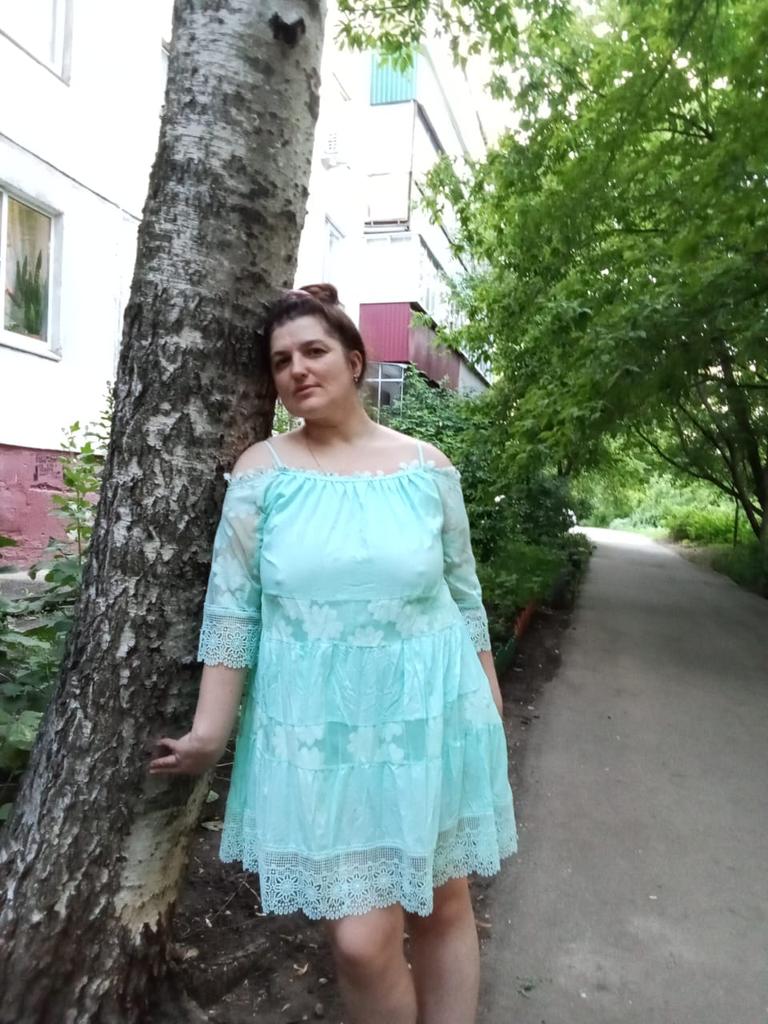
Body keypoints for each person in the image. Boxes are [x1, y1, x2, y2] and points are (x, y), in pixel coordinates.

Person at [149, 283, 517, 1024]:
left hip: (433, 714)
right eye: (281, 360)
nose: (297, 369)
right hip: (319, 734)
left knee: (443, 901)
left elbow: (463, 592)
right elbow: (233, 609)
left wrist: (488, 700)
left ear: (354, 362)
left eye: (313, 351)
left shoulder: (426, 467)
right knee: (360, 942)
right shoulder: (262, 472)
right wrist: (209, 733)